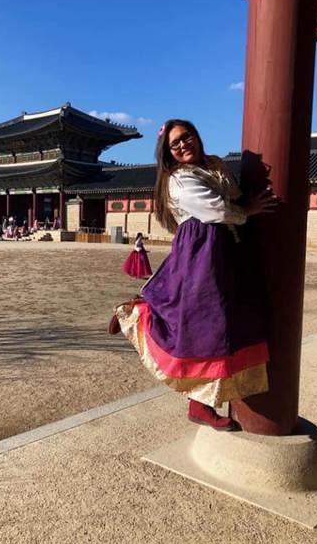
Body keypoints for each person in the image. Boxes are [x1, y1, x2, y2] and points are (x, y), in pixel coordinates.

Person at [112, 119, 278, 431]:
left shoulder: (212, 165)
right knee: (205, 323)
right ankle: (137, 315)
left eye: (186, 137)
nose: (183, 145)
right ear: (169, 152)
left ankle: (206, 400)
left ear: (196, 136)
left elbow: (235, 192)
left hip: (226, 247)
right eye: (175, 144)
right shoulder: (179, 179)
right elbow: (215, 208)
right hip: (202, 249)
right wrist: (248, 211)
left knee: (232, 321)